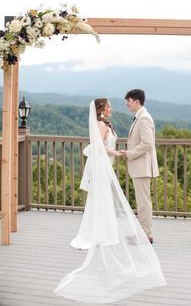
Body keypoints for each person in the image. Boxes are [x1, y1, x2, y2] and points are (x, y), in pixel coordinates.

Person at [54, 98, 166, 304]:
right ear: (101, 109)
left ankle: (104, 231)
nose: (112, 109)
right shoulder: (100, 124)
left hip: (107, 167)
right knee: (101, 199)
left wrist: (120, 153)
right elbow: (99, 147)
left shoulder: (105, 124)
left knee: (103, 200)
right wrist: (119, 153)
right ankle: (97, 233)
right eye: (109, 106)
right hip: (103, 166)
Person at [121, 89, 158, 244]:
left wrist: (129, 153)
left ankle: (146, 235)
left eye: (128, 102)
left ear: (136, 101)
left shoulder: (144, 119)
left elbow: (147, 144)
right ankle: (143, 232)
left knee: (143, 203)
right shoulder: (140, 117)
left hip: (142, 167)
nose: (127, 105)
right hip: (140, 167)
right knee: (141, 202)